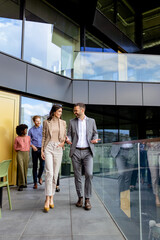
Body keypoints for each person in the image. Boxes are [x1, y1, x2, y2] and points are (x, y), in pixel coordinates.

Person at [66, 103, 100, 211]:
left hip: (87, 152)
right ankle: (80, 197)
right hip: (75, 151)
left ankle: (87, 199)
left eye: (76, 110)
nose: (74, 112)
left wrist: (95, 139)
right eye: (74, 111)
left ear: (82, 110)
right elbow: (69, 134)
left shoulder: (92, 121)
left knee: (89, 174)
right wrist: (68, 139)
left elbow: (95, 133)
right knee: (77, 176)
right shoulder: (72, 122)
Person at [41, 104, 66, 212]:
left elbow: (64, 136)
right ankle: (47, 198)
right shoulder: (46, 122)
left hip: (58, 148)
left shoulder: (63, 123)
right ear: (54, 112)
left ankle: (52, 197)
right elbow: (44, 136)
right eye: (59, 111)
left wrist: (63, 143)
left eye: (61, 112)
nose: (60, 113)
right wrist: (42, 149)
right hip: (49, 147)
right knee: (49, 173)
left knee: (55, 174)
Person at [28, 115, 44, 189]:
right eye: (37, 121)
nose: (38, 122)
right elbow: (29, 140)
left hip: (42, 150)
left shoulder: (43, 129)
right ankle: (35, 183)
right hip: (34, 150)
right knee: (35, 166)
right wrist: (32, 146)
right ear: (34, 121)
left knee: (42, 165)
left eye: (39, 121)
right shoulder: (31, 130)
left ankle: (39, 176)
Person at [14, 124, 31, 191]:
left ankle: (25, 183)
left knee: (25, 168)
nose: (26, 130)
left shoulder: (28, 137)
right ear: (21, 131)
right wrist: (19, 149)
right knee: (20, 168)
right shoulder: (17, 138)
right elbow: (15, 148)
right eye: (25, 129)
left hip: (26, 153)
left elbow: (29, 145)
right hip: (20, 153)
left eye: (26, 129)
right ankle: (21, 184)